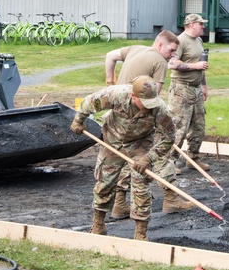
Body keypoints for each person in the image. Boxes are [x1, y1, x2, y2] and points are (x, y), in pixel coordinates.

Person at [69, 76, 174, 241]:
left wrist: (148, 158)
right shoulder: (116, 95)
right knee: (105, 182)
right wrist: (78, 121)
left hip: (140, 145)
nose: (148, 108)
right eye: (144, 103)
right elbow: (89, 103)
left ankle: (140, 234)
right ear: (134, 96)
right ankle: (98, 225)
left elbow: (168, 139)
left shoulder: (160, 109)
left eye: (151, 103)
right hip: (113, 140)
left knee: (141, 185)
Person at [104, 31, 193, 219]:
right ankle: (171, 200)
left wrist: (110, 82)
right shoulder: (160, 62)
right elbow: (154, 99)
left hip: (119, 115)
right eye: (171, 50)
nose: (172, 55)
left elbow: (110, 56)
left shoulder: (135, 49)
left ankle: (119, 205)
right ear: (160, 45)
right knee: (160, 155)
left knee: (126, 159)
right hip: (140, 117)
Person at [167, 13, 210, 171]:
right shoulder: (180, 41)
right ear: (192, 24)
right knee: (179, 127)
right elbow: (172, 63)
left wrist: (204, 85)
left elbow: (202, 65)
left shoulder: (198, 40)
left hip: (196, 88)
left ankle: (193, 158)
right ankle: (170, 162)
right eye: (201, 24)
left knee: (198, 126)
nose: (203, 26)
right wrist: (195, 67)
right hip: (181, 89)